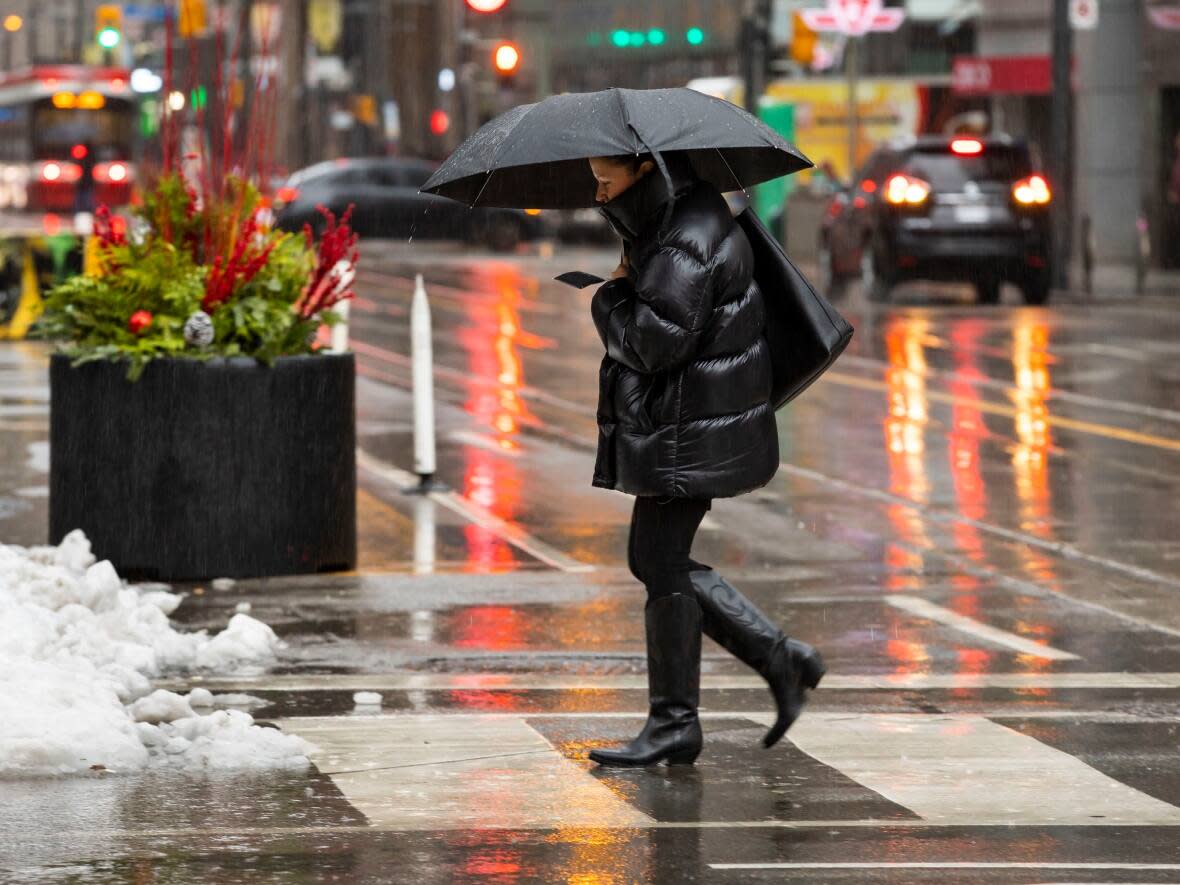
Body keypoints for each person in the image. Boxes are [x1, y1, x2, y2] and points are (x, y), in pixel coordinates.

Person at [585, 150, 825, 767]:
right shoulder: (678, 222)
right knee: (657, 560)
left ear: (644, 168)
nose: (598, 192)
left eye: (605, 180)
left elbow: (652, 342)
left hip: (689, 427)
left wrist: (609, 297)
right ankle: (759, 670)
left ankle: (693, 710)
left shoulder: (685, 236)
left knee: (658, 560)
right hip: (690, 420)